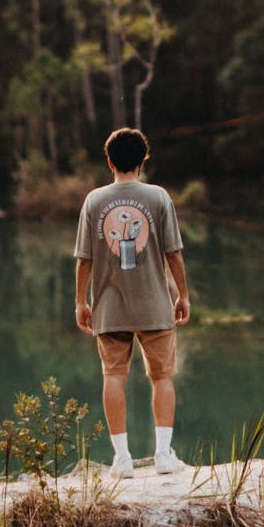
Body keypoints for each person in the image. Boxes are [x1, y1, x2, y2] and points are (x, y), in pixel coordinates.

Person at [74, 127, 191, 479]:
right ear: (143, 161)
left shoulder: (94, 201)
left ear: (109, 161)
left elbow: (84, 259)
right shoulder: (158, 198)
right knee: (162, 377)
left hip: (109, 307)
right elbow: (173, 252)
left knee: (113, 376)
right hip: (155, 304)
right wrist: (182, 294)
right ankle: (162, 456)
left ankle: (122, 460)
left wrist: (80, 300)